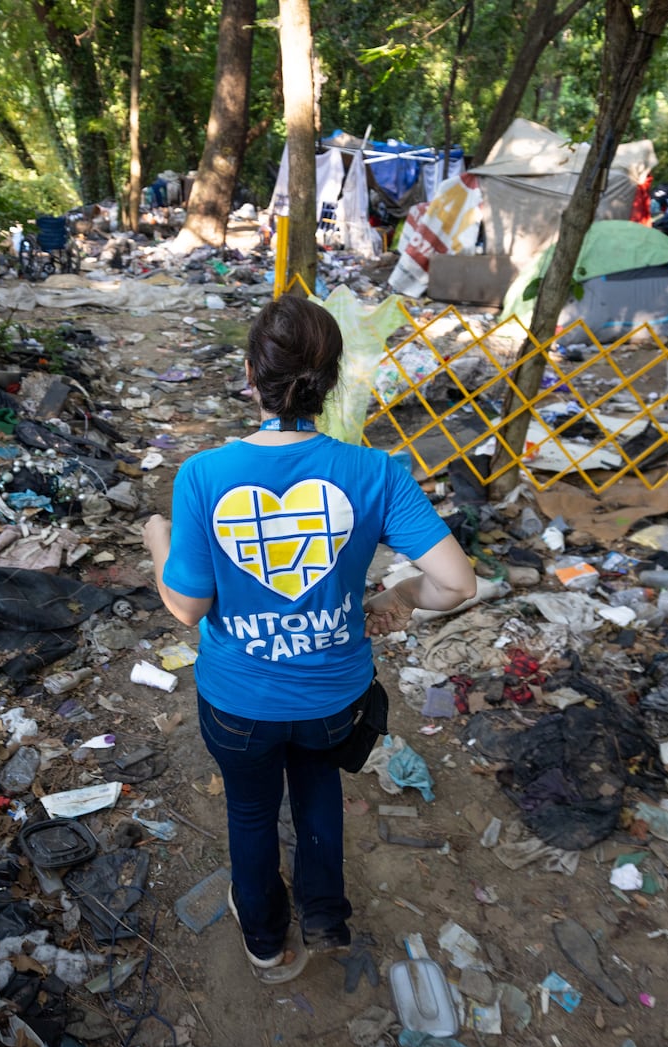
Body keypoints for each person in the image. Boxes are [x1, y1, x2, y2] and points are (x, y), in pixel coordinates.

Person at [142, 296, 476, 983]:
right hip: (334, 698)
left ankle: (267, 941)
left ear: (248, 374)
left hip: (239, 703)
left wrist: (157, 542)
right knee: (319, 788)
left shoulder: (203, 476)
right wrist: (403, 594)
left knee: (251, 811)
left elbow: (187, 607)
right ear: (330, 379)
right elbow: (457, 583)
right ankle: (326, 915)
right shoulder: (376, 473)